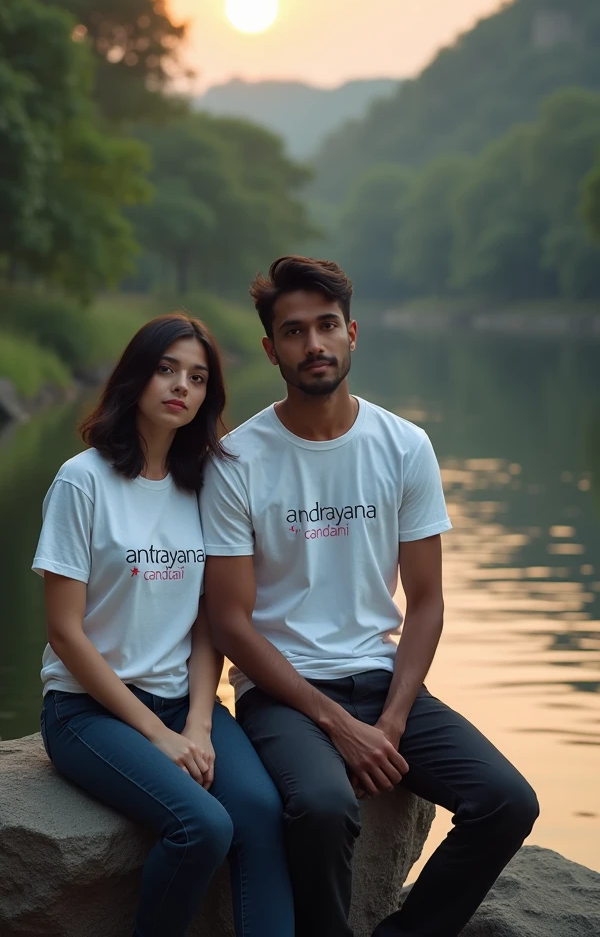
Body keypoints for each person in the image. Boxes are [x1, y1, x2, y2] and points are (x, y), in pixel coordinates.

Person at [199, 257, 539, 937]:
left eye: (327, 326)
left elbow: (428, 600)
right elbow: (231, 624)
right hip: (284, 693)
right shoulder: (235, 460)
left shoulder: (404, 446)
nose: (314, 345)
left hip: (383, 681)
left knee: (507, 801)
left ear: (353, 333)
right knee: (324, 807)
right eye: (293, 332)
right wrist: (336, 723)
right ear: (271, 350)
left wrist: (391, 719)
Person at [33, 314, 294, 937]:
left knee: (259, 813)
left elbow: (207, 622)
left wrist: (199, 723)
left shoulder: (199, 484)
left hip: (183, 701)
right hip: (87, 712)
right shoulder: (82, 480)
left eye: (198, 377)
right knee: (203, 825)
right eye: (167, 369)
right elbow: (66, 633)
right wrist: (158, 735)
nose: (182, 386)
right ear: (135, 377)